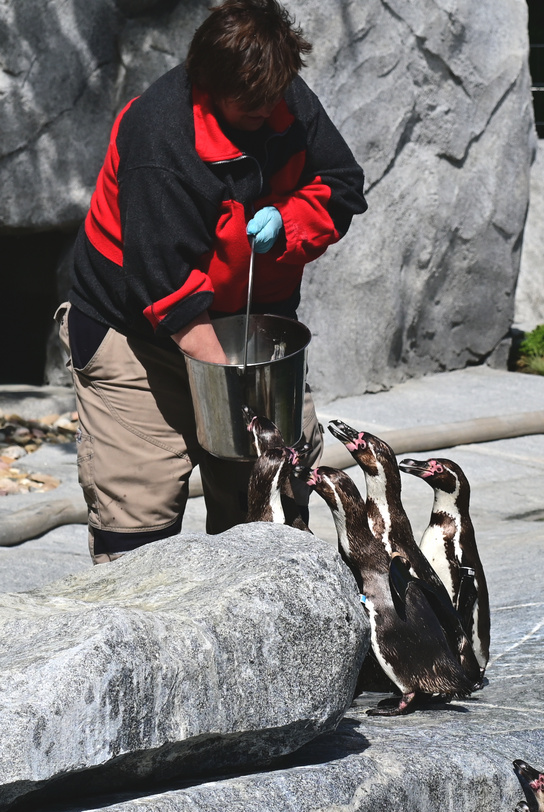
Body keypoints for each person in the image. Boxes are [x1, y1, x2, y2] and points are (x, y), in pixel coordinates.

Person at [58, 0, 367, 562]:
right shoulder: (161, 143)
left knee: (270, 505)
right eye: (251, 104)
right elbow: (171, 300)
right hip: (136, 337)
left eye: (275, 96)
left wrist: (292, 220)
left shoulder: (281, 97)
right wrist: (242, 394)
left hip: (244, 324)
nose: (268, 111)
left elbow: (342, 184)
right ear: (207, 83)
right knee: (138, 523)